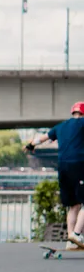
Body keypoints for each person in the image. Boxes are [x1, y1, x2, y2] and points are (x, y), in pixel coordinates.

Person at [25, 102, 84, 249]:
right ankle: (77, 234)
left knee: (73, 204)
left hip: (62, 167)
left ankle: (71, 241)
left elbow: (41, 139)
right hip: (79, 165)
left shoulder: (61, 126)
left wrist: (31, 145)